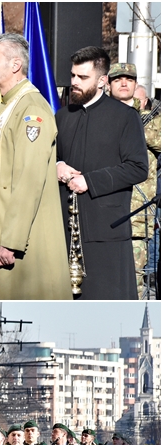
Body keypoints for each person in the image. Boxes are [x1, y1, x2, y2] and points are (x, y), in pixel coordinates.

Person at [0, 33, 71, 300]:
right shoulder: (10, 104)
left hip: (19, 242)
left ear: (14, 65)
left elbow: (28, 178)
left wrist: (11, 240)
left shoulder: (31, 108)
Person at [55, 47, 149, 300]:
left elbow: (138, 167)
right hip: (64, 228)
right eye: (73, 75)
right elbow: (51, 157)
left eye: (82, 78)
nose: (74, 82)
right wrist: (57, 166)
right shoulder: (62, 116)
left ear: (101, 81)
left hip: (106, 232)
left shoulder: (125, 117)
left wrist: (90, 181)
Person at [107, 63, 160, 299]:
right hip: (104, 212)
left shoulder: (150, 120)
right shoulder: (99, 117)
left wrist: (133, 117)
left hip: (137, 214)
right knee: (105, 279)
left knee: (135, 282)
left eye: (129, 79)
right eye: (118, 79)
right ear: (108, 85)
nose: (124, 83)